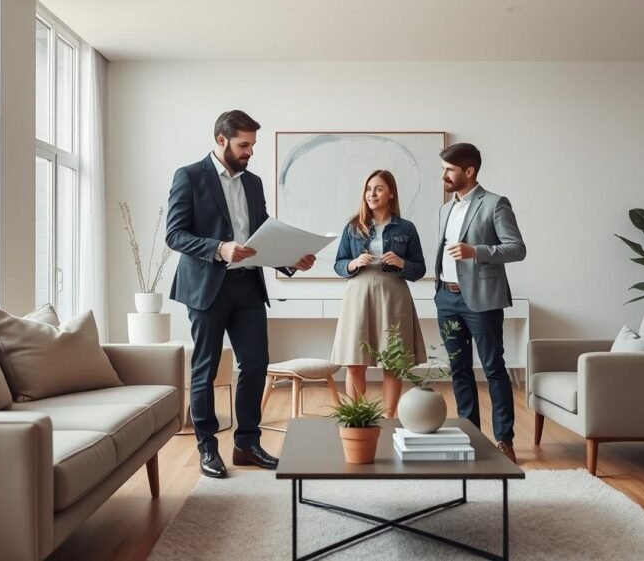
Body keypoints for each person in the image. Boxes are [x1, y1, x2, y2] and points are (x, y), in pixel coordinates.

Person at [166, 110, 316, 479]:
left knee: (255, 364)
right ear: (221, 140)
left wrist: (291, 260)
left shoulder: (253, 182)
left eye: (252, 145)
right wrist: (220, 248)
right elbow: (174, 234)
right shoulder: (189, 176)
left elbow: (262, 235)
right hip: (207, 287)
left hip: (248, 286)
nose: (250, 152)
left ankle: (247, 443)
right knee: (206, 367)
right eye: (243, 145)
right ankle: (207, 448)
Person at [434, 143, 526, 463]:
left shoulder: (495, 204)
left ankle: (504, 440)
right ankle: (469, 435)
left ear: (469, 171)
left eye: (449, 170)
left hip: (483, 300)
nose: (444, 175)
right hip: (447, 298)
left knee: (493, 368)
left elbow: (517, 248)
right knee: (459, 369)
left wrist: (478, 251)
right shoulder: (446, 208)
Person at [331, 169, 427, 418]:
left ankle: (388, 418)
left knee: (393, 362)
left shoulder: (406, 227)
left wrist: (402, 262)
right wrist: (353, 263)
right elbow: (339, 263)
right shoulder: (353, 226)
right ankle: (358, 417)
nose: (371, 194)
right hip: (358, 294)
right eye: (368, 189)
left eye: (378, 188)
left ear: (391, 193)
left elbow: (420, 269)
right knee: (355, 361)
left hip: (393, 295)